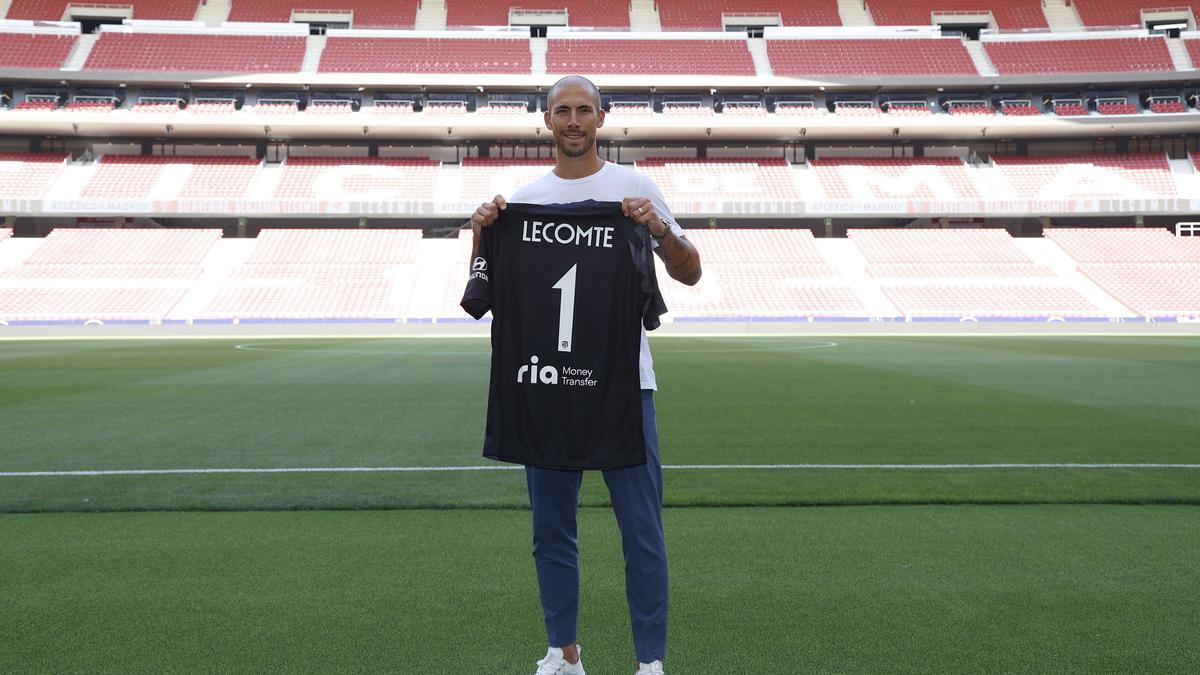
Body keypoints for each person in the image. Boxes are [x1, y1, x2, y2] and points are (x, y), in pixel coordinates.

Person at [469, 75, 701, 675]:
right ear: (547, 121)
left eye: (583, 110)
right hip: (547, 386)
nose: (573, 121)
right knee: (551, 529)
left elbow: (690, 269)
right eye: (562, 111)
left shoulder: (635, 187)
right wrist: (484, 230)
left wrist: (656, 229)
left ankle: (650, 662)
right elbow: (489, 296)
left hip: (624, 389)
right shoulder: (523, 200)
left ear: (601, 118)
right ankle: (563, 651)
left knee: (642, 530)